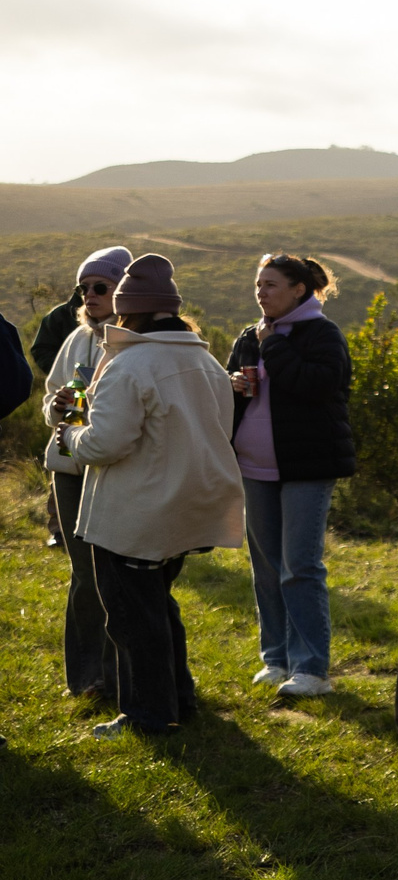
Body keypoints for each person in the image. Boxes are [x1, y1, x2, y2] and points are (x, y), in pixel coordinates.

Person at [55, 254, 244, 739]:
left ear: (128, 310)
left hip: (135, 511)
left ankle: (148, 716)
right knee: (158, 607)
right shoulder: (203, 360)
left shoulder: (131, 363)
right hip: (187, 504)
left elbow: (103, 444)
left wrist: (69, 433)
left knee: (132, 620)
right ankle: (180, 699)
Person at [228, 252, 355, 698]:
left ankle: (312, 669)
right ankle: (277, 659)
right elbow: (234, 395)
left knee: (299, 567)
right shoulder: (250, 335)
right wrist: (233, 387)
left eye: (271, 285)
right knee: (266, 567)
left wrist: (273, 345)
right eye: (258, 285)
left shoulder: (322, 334)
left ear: (298, 289)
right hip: (254, 468)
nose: (260, 293)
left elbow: (317, 385)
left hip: (306, 467)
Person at [41, 247, 130, 696]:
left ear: (123, 290)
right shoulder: (76, 338)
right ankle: (86, 678)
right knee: (84, 574)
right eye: (85, 288)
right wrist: (54, 407)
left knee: (113, 572)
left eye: (101, 287)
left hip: (113, 468)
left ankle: (123, 675)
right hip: (69, 467)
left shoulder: (135, 339)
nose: (90, 295)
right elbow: (53, 392)